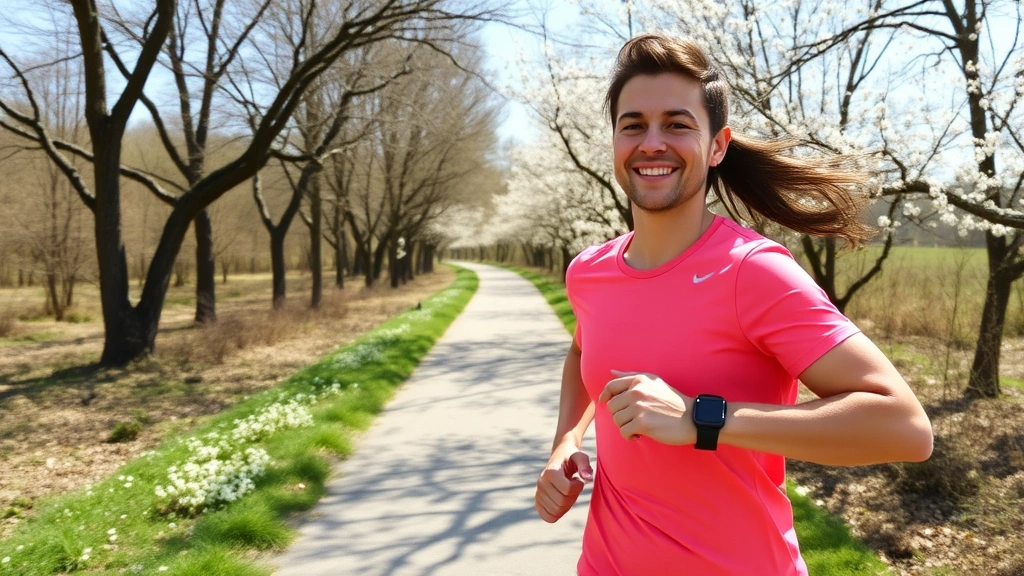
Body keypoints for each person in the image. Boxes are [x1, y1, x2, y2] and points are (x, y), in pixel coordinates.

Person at [533, 34, 934, 576]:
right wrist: (565, 442)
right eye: (634, 125)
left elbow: (904, 428)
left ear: (717, 145)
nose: (652, 142)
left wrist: (703, 418)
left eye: (677, 124)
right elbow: (586, 353)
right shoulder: (590, 272)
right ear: (614, 141)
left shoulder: (753, 271)